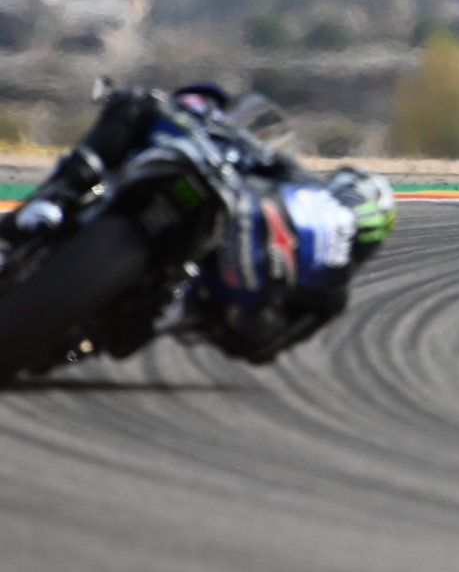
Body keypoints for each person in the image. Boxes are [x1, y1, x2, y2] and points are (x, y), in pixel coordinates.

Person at [0, 82, 396, 363]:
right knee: (136, 106)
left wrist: (245, 315)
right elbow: (222, 121)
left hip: (180, 296)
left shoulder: (328, 292)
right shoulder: (286, 179)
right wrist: (203, 109)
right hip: (190, 195)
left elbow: (262, 345)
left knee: (109, 339)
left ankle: (70, 330)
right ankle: (56, 199)